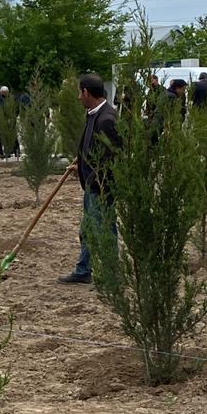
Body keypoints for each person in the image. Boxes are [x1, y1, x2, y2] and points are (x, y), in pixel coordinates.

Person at [59, 74, 120, 286]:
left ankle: (112, 276)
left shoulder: (107, 119)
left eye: (79, 92)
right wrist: (80, 163)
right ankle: (83, 269)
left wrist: (93, 177)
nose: (78, 97)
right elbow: (91, 146)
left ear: (86, 92)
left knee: (104, 230)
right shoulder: (94, 114)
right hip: (91, 186)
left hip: (101, 188)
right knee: (88, 230)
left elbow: (109, 158)